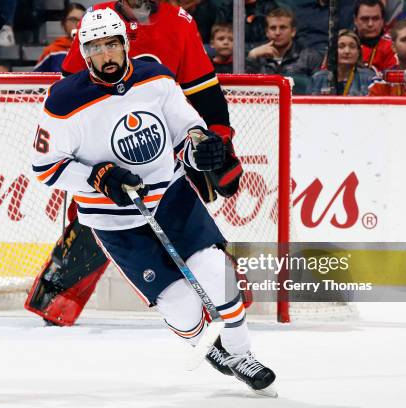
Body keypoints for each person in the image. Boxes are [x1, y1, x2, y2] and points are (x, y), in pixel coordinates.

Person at [32, 7, 278, 397]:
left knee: (217, 272)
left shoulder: (155, 77)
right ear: (84, 52)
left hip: (173, 197)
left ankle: (241, 353)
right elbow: (45, 166)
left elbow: (188, 131)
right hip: (114, 220)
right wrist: (98, 177)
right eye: (96, 48)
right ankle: (205, 343)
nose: (107, 54)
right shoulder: (64, 101)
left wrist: (203, 150)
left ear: (125, 44)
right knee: (179, 304)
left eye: (113, 44)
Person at [34, 0, 243, 328]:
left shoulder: (178, 22)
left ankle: (226, 298)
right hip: (103, 147)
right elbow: (74, 86)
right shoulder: (99, 18)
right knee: (97, 220)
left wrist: (219, 142)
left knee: (186, 220)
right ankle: (57, 300)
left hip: (161, 137)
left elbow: (203, 88)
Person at [246, 6, 322, 77]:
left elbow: (318, 87)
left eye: (282, 27)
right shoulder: (257, 55)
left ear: (293, 31)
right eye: (273, 28)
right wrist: (252, 57)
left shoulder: (309, 58)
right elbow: (243, 87)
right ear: (267, 32)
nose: (277, 33)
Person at [310, 29, 377, 95]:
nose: (347, 51)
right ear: (332, 52)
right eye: (341, 46)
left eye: (352, 47)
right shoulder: (318, 78)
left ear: (358, 52)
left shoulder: (369, 78)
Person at [34, 3, 86, 72]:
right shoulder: (52, 51)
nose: (78, 24)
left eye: (82, 20)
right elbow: (36, 79)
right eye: (73, 20)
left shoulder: (92, 49)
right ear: (63, 23)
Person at [353, 0, 397, 72]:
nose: (370, 24)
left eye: (375, 19)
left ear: (382, 20)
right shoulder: (343, 45)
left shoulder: (393, 46)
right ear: (355, 20)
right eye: (365, 19)